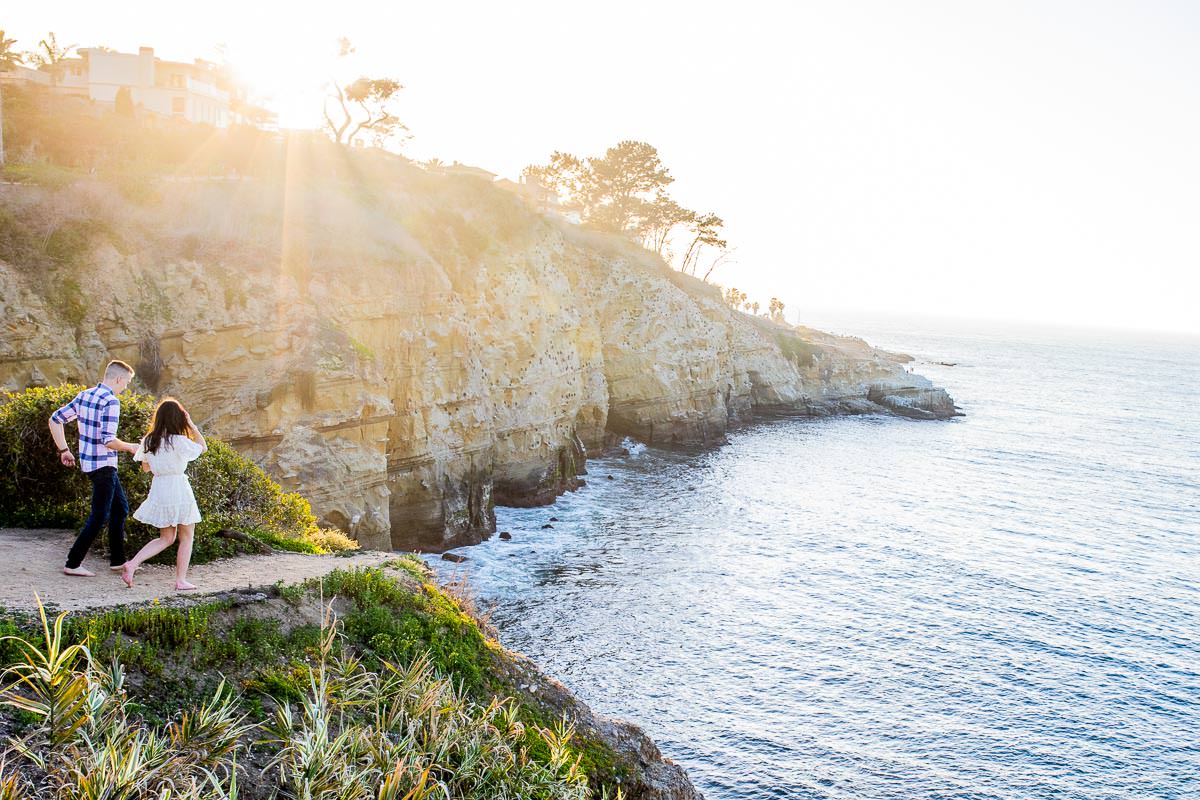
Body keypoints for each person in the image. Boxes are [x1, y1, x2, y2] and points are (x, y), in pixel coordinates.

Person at [49, 360, 139, 577]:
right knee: (99, 515)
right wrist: (131, 447)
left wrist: (64, 450)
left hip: (90, 463)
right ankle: (73, 563)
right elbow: (108, 440)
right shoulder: (111, 401)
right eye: (126, 383)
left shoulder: (85, 395)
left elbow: (55, 420)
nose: (125, 387)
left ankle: (118, 561)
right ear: (118, 379)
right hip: (103, 465)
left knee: (120, 508)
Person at [121, 398, 207, 591]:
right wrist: (192, 426)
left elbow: (145, 468)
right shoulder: (179, 441)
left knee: (166, 538)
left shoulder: (149, 440)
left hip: (160, 488)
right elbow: (203, 447)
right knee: (187, 536)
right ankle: (180, 580)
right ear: (178, 419)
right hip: (178, 487)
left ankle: (132, 564)